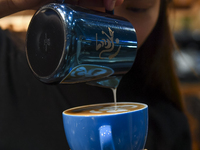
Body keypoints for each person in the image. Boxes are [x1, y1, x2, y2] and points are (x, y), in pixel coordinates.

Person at [0, 0, 192, 149]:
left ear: (161, 14)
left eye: (137, 8)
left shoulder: (169, 125)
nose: (110, 25)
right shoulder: (5, 60)